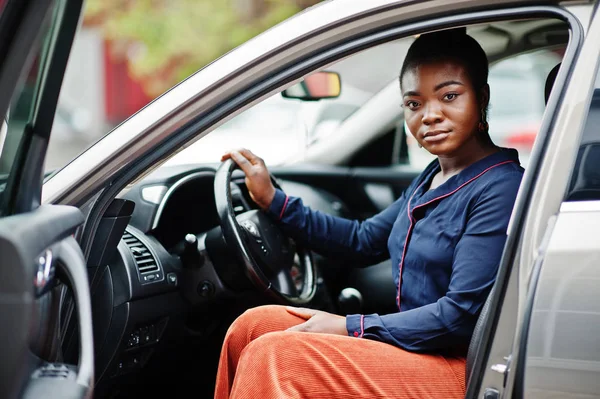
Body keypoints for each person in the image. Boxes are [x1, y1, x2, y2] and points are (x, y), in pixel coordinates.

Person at [214, 27, 524, 399]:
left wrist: (351, 326)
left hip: (462, 368)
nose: (429, 115)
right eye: (414, 104)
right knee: (253, 327)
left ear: (482, 98)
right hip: (417, 349)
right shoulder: (434, 177)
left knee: (277, 354)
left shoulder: (500, 186)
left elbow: (459, 317)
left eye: (450, 96)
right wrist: (274, 202)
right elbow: (361, 241)